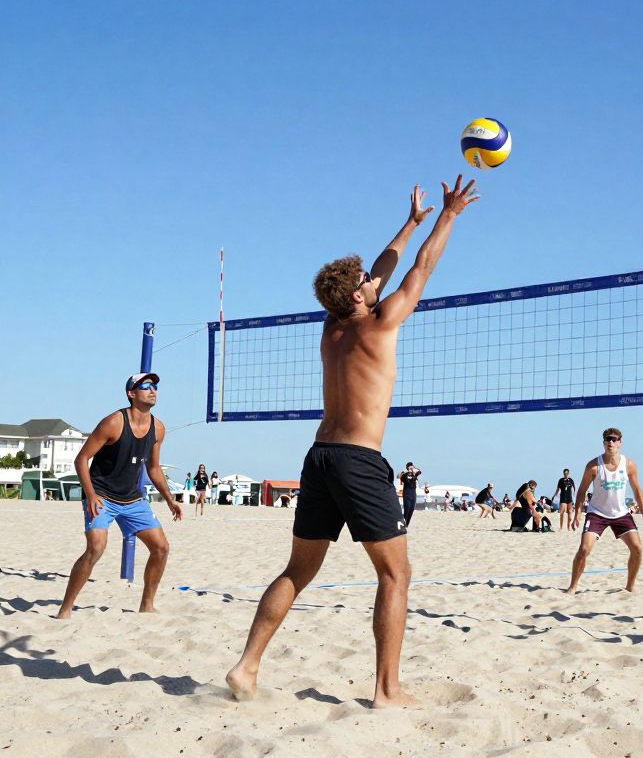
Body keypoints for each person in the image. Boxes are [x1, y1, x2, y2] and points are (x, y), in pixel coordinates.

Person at [227, 177, 479, 708]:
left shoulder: (332, 327)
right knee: (396, 574)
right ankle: (387, 690)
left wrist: (408, 223)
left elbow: (383, 269)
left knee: (298, 570)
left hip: (317, 459)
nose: (374, 278)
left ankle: (246, 667)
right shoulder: (381, 322)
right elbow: (420, 270)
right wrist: (448, 217)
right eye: (367, 280)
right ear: (360, 296)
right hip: (359, 462)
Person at [58, 373, 183, 619]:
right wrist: (91, 495)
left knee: (161, 548)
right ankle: (66, 608)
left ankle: (147, 605)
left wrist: (169, 499)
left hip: (132, 499)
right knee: (96, 548)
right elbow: (81, 459)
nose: (153, 390)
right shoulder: (114, 422)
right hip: (102, 495)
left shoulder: (158, 427)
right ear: (131, 394)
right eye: (146, 386)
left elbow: (154, 468)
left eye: (155, 386)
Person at [567, 427, 643, 594]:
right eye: (607, 439)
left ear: (620, 443)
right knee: (584, 549)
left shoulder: (629, 465)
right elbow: (582, 490)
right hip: (597, 513)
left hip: (620, 513)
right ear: (603, 442)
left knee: (637, 548)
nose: (610, 442)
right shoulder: (593, 466)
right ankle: (573, 587)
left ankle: (630, 586)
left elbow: (637, 490)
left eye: (613, 439)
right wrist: (576, 514)